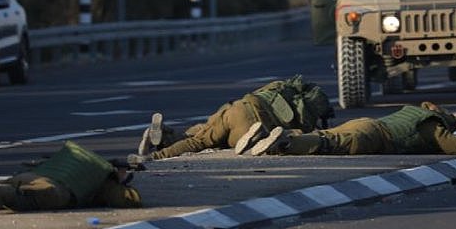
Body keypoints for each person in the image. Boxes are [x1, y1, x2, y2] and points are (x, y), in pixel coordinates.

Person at [130, 75, 335, 163]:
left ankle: (165, 137)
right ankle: (154, 156)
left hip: (239, 108)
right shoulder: (305, 118)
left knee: (202, 134)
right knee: (206, 141)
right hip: (253, 129)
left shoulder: (282, 87)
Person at [0, 141, 142, 214]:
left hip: (30, 175)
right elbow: (131, 199)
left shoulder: (79, 160)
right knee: (15, 197)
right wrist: (117, 180)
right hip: (52, 188)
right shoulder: (102, 179)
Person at [246, 101, 456, 156]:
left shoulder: (413, 111)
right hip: (374, 136)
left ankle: (270, 135)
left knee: (326, 135)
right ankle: (285, 145)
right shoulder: (433, 125)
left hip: (365, 122)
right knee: (330, 143)